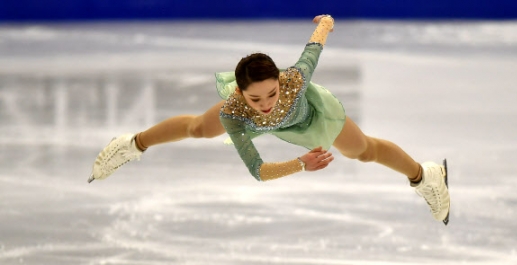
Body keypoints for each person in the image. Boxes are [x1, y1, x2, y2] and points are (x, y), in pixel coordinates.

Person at [88, 15, 450, 225]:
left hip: (311, 118)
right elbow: (258, 171)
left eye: (272, 93)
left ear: (280, 82)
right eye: (255, 98)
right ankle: (132, 144)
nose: (265, 104)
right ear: (240, 92)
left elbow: (314, 47)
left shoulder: (295, 80)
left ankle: (426, 176)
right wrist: (300, 165)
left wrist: (325, 22)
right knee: (198, 127)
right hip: (268, 132)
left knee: (365, 151)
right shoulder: (234, 113)